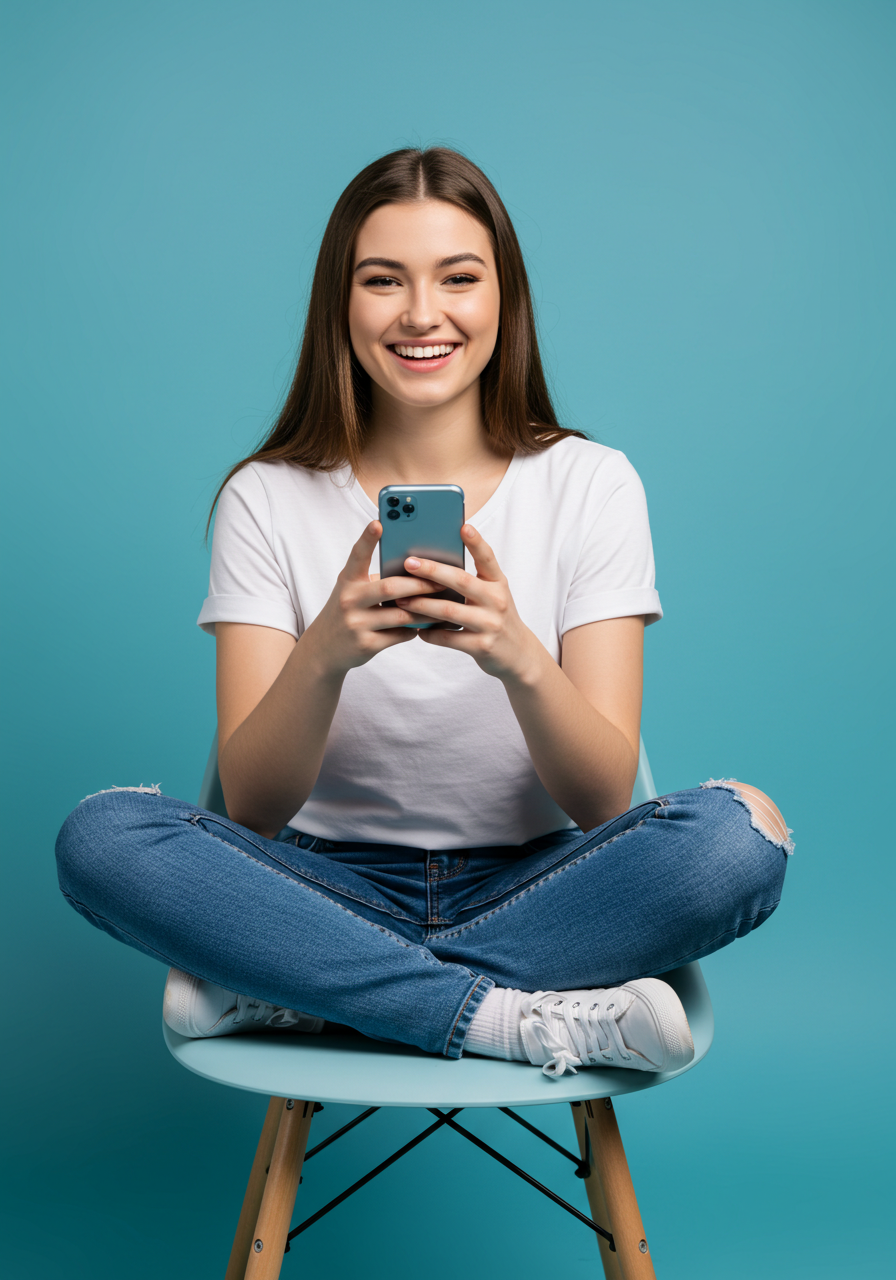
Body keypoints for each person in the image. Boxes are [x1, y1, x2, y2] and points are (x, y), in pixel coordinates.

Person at [55, 147, 792, 1079]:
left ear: (503, 299)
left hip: (543, 882)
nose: (420, 313)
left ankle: (301, 992)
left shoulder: (592, 483)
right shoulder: (267, 495)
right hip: (317, 887)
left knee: (742, 835)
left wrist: (519, 657)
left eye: (458, 277)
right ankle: (510, 1020)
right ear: (341, 303)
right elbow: (252, 808)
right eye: (382, 280)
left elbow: (609, 803)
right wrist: (325, 654)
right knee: (101, 837)